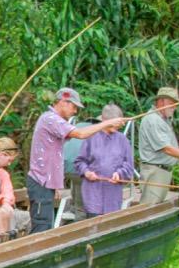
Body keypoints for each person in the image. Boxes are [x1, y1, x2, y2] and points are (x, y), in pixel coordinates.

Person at [26, 88, 124, 234]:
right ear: (63, 102)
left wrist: (55, 185)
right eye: (74, 107)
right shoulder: (50, 119)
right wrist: (106, 123)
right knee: (42, 228)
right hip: (40, 183)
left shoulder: (53, 121)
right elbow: (80, 133)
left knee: (46, 226)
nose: (75, 112)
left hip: (46, 183)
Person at [73, 104, 136, 217]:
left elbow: (129, 166)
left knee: (110, 228)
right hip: (93, 195)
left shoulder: (123, 140)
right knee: (93, 228)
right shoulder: (91, 137)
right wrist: (87, 172)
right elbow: (79, 162)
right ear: (104, 120)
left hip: (113, 196)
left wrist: (119, 174)